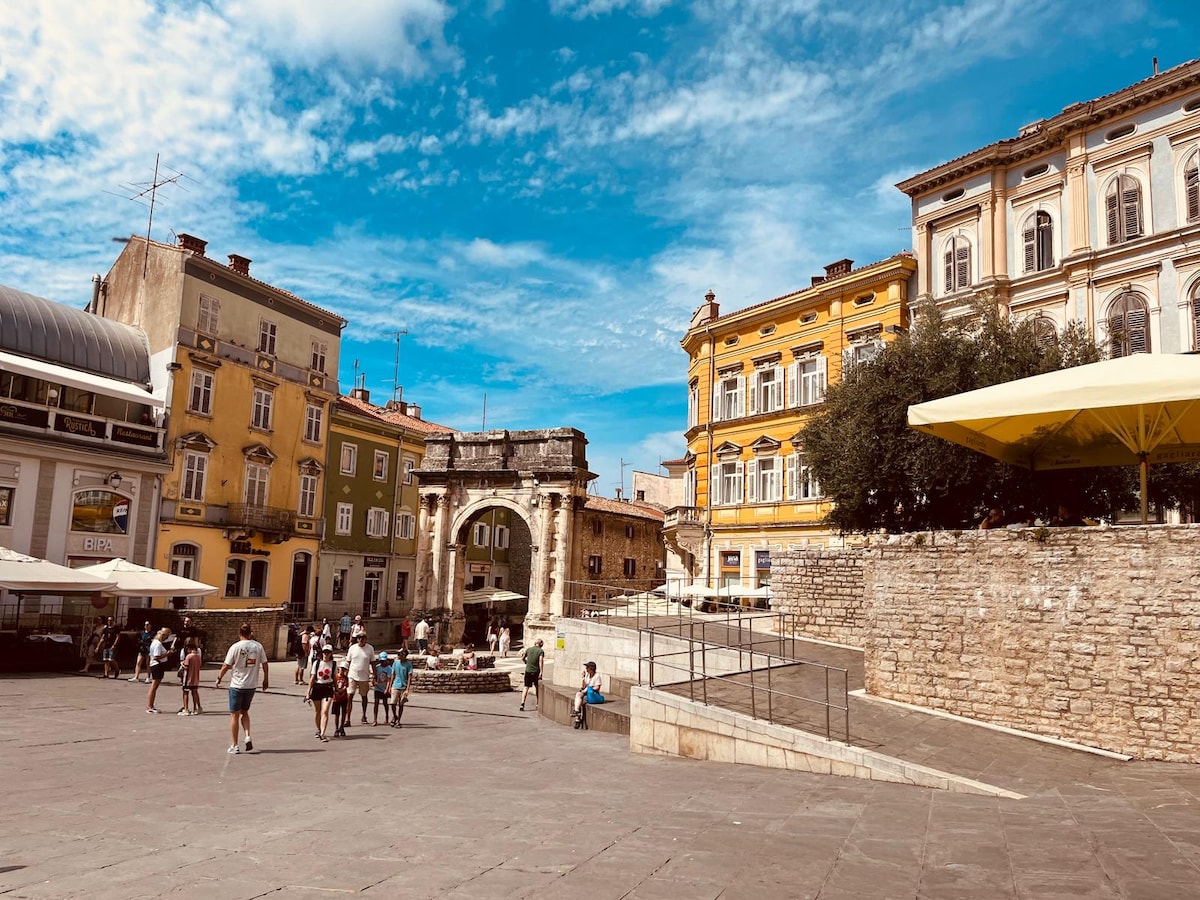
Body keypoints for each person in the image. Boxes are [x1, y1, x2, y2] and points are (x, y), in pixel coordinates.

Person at [215, 622, 269, 754]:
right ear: (250, 633)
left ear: (239, 634)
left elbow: (226, 665)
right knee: (245, 711)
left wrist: (219, 678)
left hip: (237, 684)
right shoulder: (258, 646)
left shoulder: (235, 647)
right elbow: (265, 664)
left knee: (234, 714)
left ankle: (234, 744)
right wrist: (266, 679)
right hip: (251, 685)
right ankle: (247, 735)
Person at [306, 644, 336, 742]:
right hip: (317, 687)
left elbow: (334, 678)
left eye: (328, 652)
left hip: (328, 687)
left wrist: (337, 689)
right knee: (317, 711)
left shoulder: (334, 664)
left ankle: (323, 733)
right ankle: (319, 729)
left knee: (325, 711)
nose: (326, 654)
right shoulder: (317, 663)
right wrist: (308, 693)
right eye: (324, 652)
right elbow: (312, 678)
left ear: (331, 653)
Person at [344, 632, 375, 725]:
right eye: (359, 637)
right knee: (349, 696)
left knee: (364, 697)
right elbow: (348, 662)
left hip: (364, 677)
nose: (361, 639)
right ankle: (347, 718)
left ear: (366, 638)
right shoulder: (352, 648)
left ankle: (364, 715)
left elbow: (373, 663)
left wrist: (375, 676)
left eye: (362, 637)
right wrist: (344, 674)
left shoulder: (370, 648)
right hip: (352, 675)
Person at [146, 627, 172, 713]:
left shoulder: (155, 642)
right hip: (157, 665)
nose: (166, 638)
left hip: (156, 665)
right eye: (166, 636)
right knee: (154, 687)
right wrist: (167, 654)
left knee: (154, 687)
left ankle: (151, 705)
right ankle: (150, 706)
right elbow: (156, 657)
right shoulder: (157, 644)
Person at [572, 661, 605, 728]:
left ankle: (577, 719)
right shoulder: (587, 675)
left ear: (591, 669)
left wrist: (590, 688)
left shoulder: (597, 676)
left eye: (587, 667)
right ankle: (576, 711)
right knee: (578, 695)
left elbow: (598, 687)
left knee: (580, 701)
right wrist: (583, 678)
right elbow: (583, 686)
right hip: (585, 692)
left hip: (592, 694)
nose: (586, 669)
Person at [519, 638, 545, 712]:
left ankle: (522, 703)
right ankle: (538, 703)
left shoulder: (529, 649)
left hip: (528, 671)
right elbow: (541, 661)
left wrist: (525, 662)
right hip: (536, 671)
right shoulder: (540, 651)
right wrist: (541, 672)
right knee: (537, 687)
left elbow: (523, 657)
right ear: (541, 644)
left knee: (526, 687)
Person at [389, 649, 413, 728]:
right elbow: (393, 674)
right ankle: (395, 716)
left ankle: (398, 720)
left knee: (401, 704)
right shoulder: (396, 663)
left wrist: (407, 689)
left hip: (403, 686)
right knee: (392, 703)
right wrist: (390, 685)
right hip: (395, 685)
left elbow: (409, 677)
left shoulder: (408, 664)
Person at [179, 638, 203, 716]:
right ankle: (196, 708)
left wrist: (182, 664)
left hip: (188, 678)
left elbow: (186, 666)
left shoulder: (189, 656)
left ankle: (186, 709)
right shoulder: (198, 656)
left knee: (186, 692)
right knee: (194, 692)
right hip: (195, 678)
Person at [373, 651, 393, 725]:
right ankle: (375, 719)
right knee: (376, 703)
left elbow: (389, 680)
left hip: (384, 688)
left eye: (384, 661)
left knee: (385, 703)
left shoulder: (389, 668)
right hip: (378, 688)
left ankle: (387, 717)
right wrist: (374, 682)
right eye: (381, 661)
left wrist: (387, 689)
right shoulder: (378, 667)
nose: (382, 662)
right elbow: (374, 676)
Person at [331, 662, 350, 737]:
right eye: (341, 669)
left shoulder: (345, 678)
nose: (342, 671)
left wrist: (340, 691)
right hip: (336, 698)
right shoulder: (335, 677)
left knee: (343, 713)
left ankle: (341, 727)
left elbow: (345, 687)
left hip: (343, 698)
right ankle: (336, 728)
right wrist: (336, 692)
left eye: (344, 669)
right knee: (337, 714)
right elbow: (333, 687)